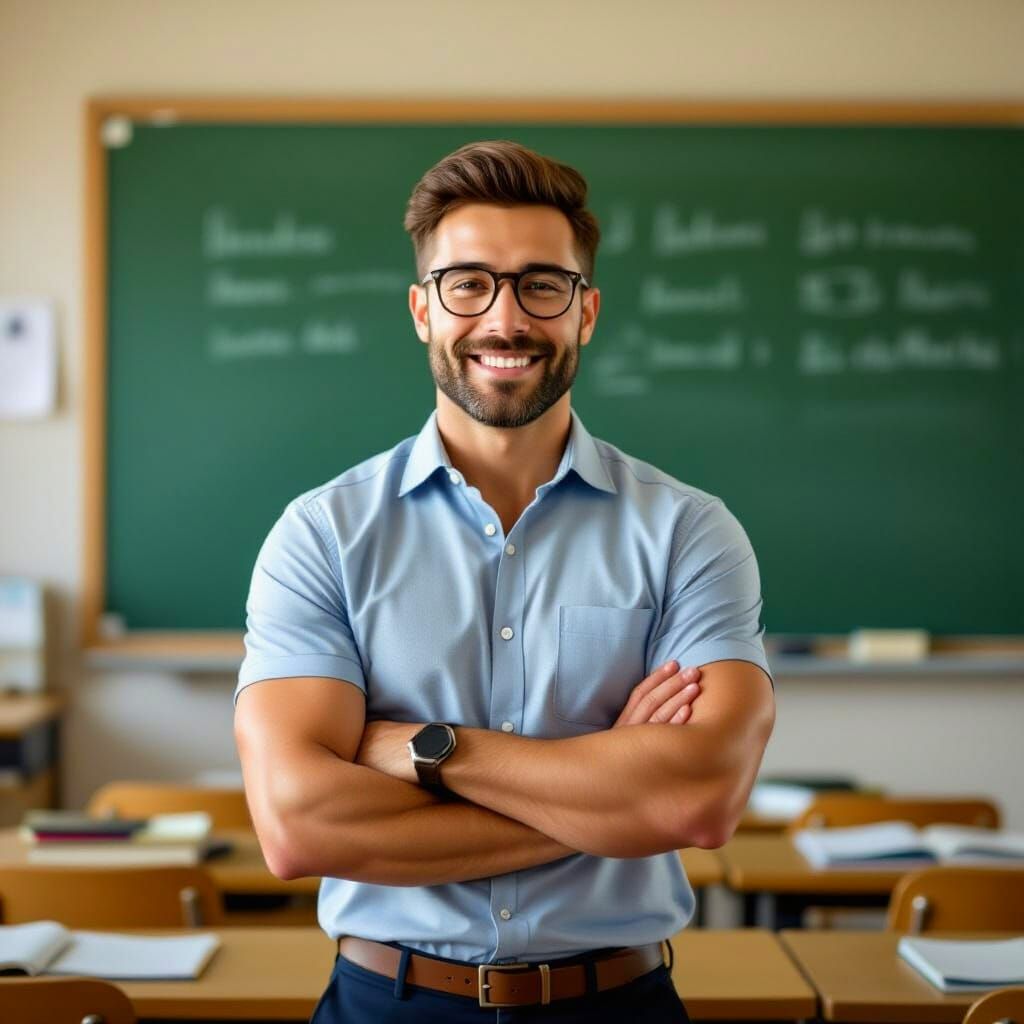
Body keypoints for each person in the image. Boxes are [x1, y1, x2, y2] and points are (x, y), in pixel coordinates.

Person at [234, 140, 775, 1022]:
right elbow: (299, 827)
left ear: (587, 312)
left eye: (541, 285)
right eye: (468, 283)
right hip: (390, 1002)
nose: (505, 318)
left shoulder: (689, 531)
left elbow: (697, 799)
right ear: (422, 309)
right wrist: (606, 800)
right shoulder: (322, 534)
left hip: (618, 1003)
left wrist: (420, 748)